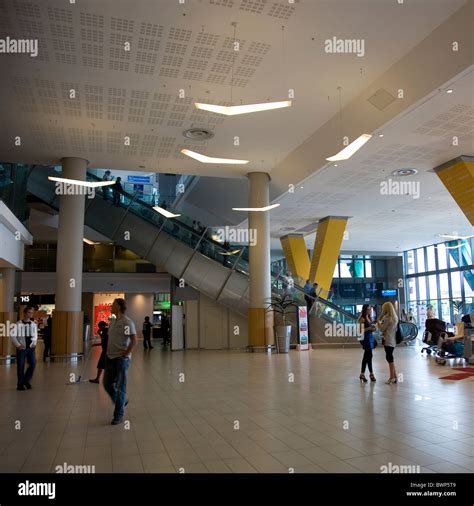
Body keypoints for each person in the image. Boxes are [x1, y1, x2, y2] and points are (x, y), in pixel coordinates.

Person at [103, 298, 137, 425]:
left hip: (121, 359)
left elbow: (134, 340)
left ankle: (118, 415)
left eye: (113, 305)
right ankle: (121, 400)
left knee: (121, 387)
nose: (111, 307)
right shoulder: (112, 322)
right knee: (107, 383)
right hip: (110, 357)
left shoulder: (127, 322)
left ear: (118, 306)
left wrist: (126, 354)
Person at [11, 306, 38, 391]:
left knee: (33, 363)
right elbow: (13, 336)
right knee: (21, 366)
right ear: (25, 313)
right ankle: (20, 384)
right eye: (29, 312)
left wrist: (34, 343)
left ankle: (26, 380)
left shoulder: (33, 324)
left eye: (31, 313)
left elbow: (35, 335)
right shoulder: (18, 324)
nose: (30, 314)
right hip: (22, 349)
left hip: (31, 348)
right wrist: (18, 345)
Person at [377, 301, 399, 384]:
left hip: (388, 340)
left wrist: (378, 322)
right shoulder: (395, 318)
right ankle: (395, 376)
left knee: (389, 359)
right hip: (393, 340)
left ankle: (391, 377)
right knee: (391, 358)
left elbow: (382, 329)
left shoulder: (387, 318)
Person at [358, 304, 377, 383]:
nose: (370, 310)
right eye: (368, 309)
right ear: (365, 310)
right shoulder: (362, 319)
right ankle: (371, 374)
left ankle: (362, 374)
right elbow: (360, 331)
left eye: (370, 309)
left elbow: (370, 328)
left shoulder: (369, 317)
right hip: (365, 339)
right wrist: (369, 328)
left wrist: (373, 328)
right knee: (369, 356)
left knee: (367, 356)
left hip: (370, 338)